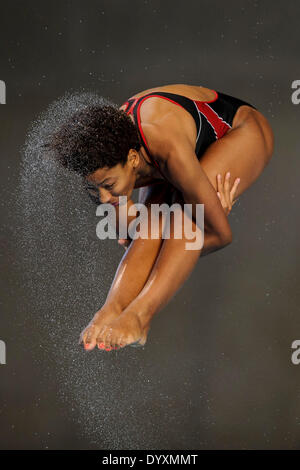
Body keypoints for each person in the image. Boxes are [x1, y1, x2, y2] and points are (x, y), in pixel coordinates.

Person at [45, 84, 274, 351]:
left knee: (185, 218)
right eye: (94, 188)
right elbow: (132, 240)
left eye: (107, 185)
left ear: (132, 159)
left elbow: (221, 235)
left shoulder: (166, 149)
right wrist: (156, 239)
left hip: (239, 131)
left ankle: (140, 316)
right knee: (155, 225)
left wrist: (197, 227)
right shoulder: (107, 156)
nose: (103, 199)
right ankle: (110, 309)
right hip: (178, 151)